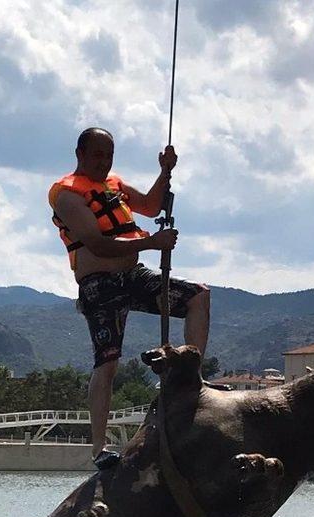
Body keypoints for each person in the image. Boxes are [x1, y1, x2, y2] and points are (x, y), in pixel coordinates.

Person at [49, 127, 210, 470]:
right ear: (79, 154)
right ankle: (98, 447)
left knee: (198, 296)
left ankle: (190, 379)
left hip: (133, 277)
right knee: (107, 362)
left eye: (108, 156)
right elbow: (97, 243)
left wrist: (165, 171)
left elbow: (151, 207)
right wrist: (152, 244)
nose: (103, 163)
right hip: (99, 284)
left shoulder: (115, 185)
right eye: (96, 155)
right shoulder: (66, 194)